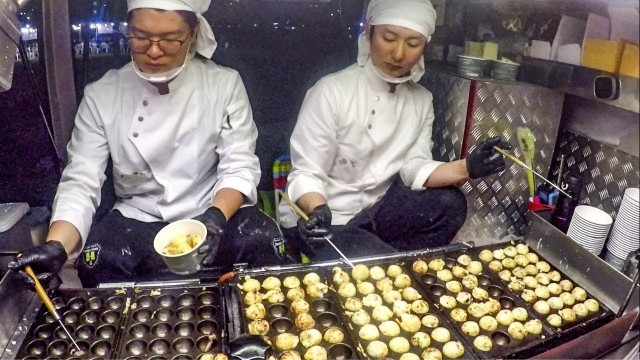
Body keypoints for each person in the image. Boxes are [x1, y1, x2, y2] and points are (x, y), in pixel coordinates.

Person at [9, 0, 290, 289]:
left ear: (192, 34)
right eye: (141, 38)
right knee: (99, 258)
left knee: (262, 238)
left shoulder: (224, 85)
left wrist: (216, 218)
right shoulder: (102, 95)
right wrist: (56, 245)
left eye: (169, 40)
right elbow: (81, 180)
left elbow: (239, 164)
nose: (154, 51)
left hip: (210, 206)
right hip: (138, 215)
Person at [279, 0, 512, 262]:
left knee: (449, 204)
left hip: (374, 212)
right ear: (369, 32)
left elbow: (414, 167)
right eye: (389, 38)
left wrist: (468, 167)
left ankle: (387, 260)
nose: (399, 54)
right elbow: (307, 172)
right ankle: (381, 259)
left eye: (413, 43)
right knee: (376, 260)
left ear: (425, 44)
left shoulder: (421, 100)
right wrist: (317, 209)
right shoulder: (331, 91)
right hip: (325, 219)